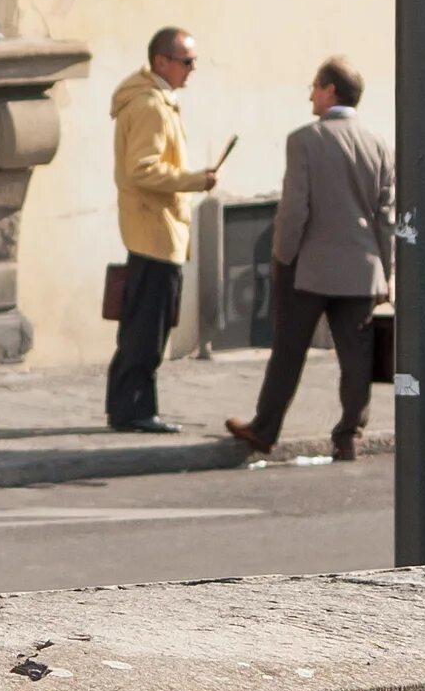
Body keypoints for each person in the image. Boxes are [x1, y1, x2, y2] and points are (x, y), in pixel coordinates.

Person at [230, 58, 397, 462]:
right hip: (362, 268)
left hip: (311, 268)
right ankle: (348, 436)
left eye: (315, 87)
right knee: (356, 356)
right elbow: (387, 217)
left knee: (289, 350)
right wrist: (386, 273)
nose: (310, 94)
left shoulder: (305, 140)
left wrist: (283, 256)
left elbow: (294, 210)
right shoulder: (379, 144)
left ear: (330, 91)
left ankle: (265, 430)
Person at [107, 26, 221, 434]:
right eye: (186, 61)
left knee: (142, 324)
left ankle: (128, 407)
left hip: (153, 229)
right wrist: (194, 180)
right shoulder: (151, 106)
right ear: (162, 62)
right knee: (147, 329)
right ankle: (135, 410)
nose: (192, 69)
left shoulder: (153, 100)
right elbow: (144, 169)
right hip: (154, 230)